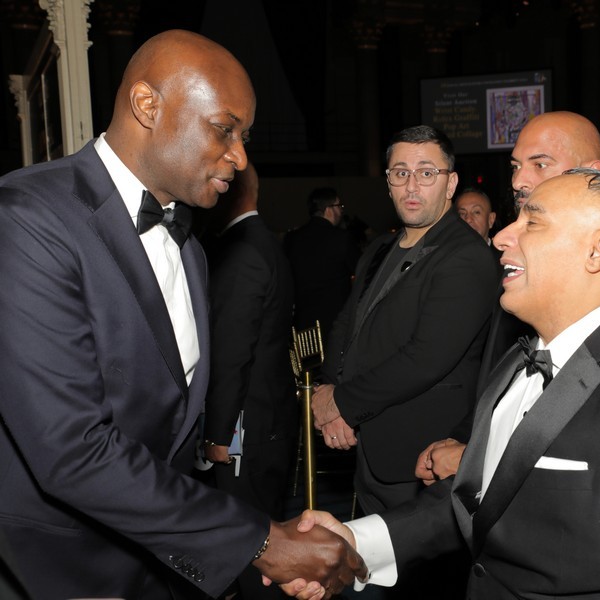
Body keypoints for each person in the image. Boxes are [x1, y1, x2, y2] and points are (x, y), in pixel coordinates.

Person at [0, 30, 364, 600]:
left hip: (162, 565)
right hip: (62, 568)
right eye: (224, 130)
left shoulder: (190, 247)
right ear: (148, 106)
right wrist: (259, 540)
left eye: (244, 137)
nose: (240, 157)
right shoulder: (26, 217)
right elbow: (72, 448)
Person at [294, 169, 600, 600]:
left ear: (599, 250)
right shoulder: (518, 359)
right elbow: (481, 498)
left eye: (532, 221)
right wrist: (354, 541)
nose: (500, 237)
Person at [415, 110, 600, 485]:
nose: (518, 180)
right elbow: (510, 379)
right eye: (515, 166)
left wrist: (477, 457)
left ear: (593, 173)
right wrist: (470, 439)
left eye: (540, 164)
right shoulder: (523, 263)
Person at [311, 125, 499, 512]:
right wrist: (332, 392)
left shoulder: (466, 256)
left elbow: (426, 358)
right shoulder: (380, 247)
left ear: (450, 184)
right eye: (400, 173)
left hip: (421, 454)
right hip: (367, 440)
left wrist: (342, 402)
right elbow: (347, 324)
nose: (411, 186)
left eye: (426, 173)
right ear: (388, 182)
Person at [202, 163, 299, 599]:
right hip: (269, 419)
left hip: (247, 426)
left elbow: (231, 353)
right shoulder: (265, 242)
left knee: (249, 550)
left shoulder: (241, 250)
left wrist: (217, 433)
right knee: (263, 539)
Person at [283, 187, 361, 341]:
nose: (341, 211)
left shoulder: (292, 239)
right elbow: (362, 271)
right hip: (335, 325)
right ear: (328, 209)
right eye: (339, 206)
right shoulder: (341, 238)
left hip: (303, 325)